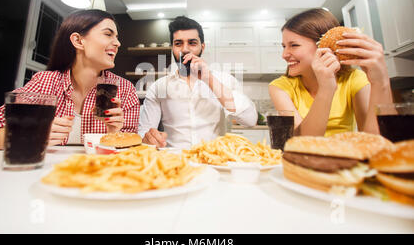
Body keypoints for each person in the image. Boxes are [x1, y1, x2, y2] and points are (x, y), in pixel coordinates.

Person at [0, 9, 140, 150]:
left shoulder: (124, 90)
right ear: (78, 41)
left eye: (117, 37)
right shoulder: (45, 83)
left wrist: (114, 134)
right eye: (108, 34)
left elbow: (133, 149)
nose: (117, 43)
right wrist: (32, 135)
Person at [269, 8, 392, 137]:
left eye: (294, 45)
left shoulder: (355, 79)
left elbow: (375, 141)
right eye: (284, 46)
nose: (284, 55)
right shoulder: (280, 87)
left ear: (323, 46)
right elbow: (300, 143)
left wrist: (380, 82)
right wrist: (326, 88)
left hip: (346, 155)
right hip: (304, 156)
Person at [139, 16, 257, 148]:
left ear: (203, 47)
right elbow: (144, 133)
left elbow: (250, 120)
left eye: (192, 43)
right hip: (176, 162)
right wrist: (149, 139)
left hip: (215, 162)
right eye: (178, 43)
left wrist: (209, 79)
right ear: (172, 48)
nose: (185, 49)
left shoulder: (225, 80)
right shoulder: (158, 87)